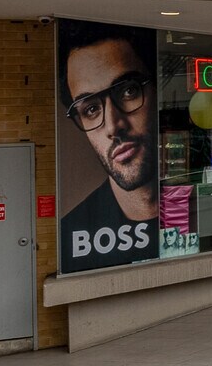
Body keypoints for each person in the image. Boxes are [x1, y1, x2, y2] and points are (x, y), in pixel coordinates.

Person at [58, 21, 160, 272]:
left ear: (159, 90)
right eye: (91, 109)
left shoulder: (206, 207)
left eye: (128, 91)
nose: (114, 126)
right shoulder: (69, 236)